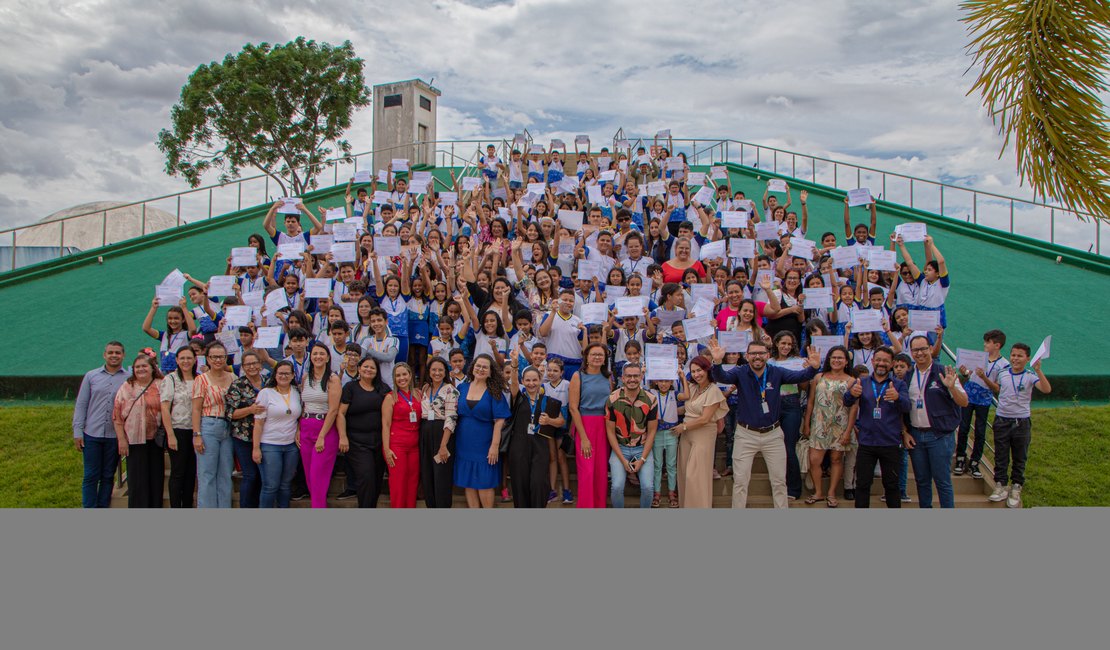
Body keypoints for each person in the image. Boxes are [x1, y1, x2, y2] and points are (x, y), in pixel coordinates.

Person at [708, 338, 821, 508]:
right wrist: (717, 362)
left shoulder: (777, 372)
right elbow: (721, 376)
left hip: (773, 435)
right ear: (746, 356)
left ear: (768, 355)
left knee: (779, 482)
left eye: (761, 353)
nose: (757, 357)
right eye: (753, 353)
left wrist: (813, 367)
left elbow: (800, 376)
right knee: (740, 482)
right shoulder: (740, 372)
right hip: (745, 435)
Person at [981, 343, 1051, 508]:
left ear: (1027, 359)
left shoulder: (1030, 375)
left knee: (1020, 456)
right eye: (1013, 355)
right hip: (1002, 419)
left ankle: (1016, 487)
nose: (1015, 358)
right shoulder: (1003, 373)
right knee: (1001, 455)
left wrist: (1039, 370)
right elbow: (997, 388)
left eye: (1020, 356)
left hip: (1021, 422)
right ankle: (1000, 485)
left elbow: (1046, 389)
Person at [904, 334, 968, 509]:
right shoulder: (908, 376)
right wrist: (905, 432)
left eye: (923, 348)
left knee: (942, 481)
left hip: (939, 436)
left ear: (931, 349)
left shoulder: (944, 372)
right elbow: (902, 408)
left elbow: (964, 402)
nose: (920, 353)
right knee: (922, 481)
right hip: (916, 436)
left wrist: (952, 387)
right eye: (915, 350)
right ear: (911, 352)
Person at [843, 347, 911, 507]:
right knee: (862, 485)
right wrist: (851, 393)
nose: (881, 364)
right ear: (872, 361)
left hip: (890, 443)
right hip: (867, 443)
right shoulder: (862, 382)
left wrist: (898, 398)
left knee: (892, 486)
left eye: (886, 361)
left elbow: (907, 407)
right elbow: (846, 402)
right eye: (878, 360)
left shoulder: (898, 384)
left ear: (892, 364)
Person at [73, 341, 131, 508]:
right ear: (104, 355)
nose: (114, 355)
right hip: (92, 434)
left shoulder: (128, 378)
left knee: (107, 475)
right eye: (111, 352)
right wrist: (78, 431)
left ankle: (102, 507)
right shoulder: (91, 376)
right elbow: (82, 404)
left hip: (114, 436)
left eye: (118, 353)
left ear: (123, 355)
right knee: (91, 475)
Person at [453, 354, 512, 508]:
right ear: (472, 368)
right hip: (464, 442)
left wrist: (494, 445)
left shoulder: (495, 391)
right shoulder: (462, 387)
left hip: (485, 442)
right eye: (478, 365)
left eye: (485, 367)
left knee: (485, 482)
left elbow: (500, 421)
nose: (480, 369)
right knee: (469, 481)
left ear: (491, 372)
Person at [801, 346, 856, 507]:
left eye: (840, 358)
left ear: (846, 361)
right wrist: (807, 423)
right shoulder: (819, 377)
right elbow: (810, 401)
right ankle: (818, 492)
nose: (837, 360)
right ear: (829, 359)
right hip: (819, 423)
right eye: (833, 357)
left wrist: (848, 431)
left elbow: (854, 408)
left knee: (836, 459)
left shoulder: (851, 380)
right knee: (814, 460)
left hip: (840, 424)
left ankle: (831, 493)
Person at [674, 356, 728, 508]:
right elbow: (686, 408)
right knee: (685, 474)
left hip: (703, 434)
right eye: (693, 371)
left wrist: (682, 427)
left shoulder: (714, 391)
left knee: (695, 477)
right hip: (686, 436)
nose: (697, 374)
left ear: (707, 370)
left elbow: (705, 419)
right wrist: (666, 413)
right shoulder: (691, 387)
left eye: (700, 370)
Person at [508, 366, 565, 508]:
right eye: (527, 380)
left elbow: (561, 421)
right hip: (519, 445)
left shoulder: (548, 400)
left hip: (540, 445)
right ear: (523, 381)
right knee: (520, 483)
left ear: (540, 380)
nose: (531, 383)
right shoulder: (518, 397)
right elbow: (513, 384)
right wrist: (514, 366)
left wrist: (549, 421)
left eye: (534, 380)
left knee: (538, 482)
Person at [955, 329, 1009, 479]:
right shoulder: (979, 358)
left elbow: (997, 388)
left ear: (997, 345)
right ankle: (960, 458)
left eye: (988, 342)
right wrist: (965, 372)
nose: (985, 344)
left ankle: (974, 462)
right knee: (964, 427)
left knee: (980, 431)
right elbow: (970, 375)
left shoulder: (1004, 365)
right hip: (969, 395)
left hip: (984, 399)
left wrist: (984, 378)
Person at [112, 354, 164, 508]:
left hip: (156, 440)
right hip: (134, 440)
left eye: (144, 366)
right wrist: (121, 439)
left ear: (152, 368)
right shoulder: (127, 387)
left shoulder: (161, 384)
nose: (141, 369)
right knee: (137, 481)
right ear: (133, 370)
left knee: (155, 480)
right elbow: (117, 415)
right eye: (137, 367)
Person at [338, 356, 391, 508]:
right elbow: (341, 413)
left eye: (372, 368)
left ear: (377, 371)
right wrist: (343, 436)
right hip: (356, 442)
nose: (368, 370)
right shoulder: (350, 387)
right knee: (365, 477)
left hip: (379, 441)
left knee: (376, 479)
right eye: (365, 367)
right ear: (359, 369)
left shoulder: (383, 389)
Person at [605, 363, 658, 509]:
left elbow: (652, 431)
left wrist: (642, 460)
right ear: (622, 378)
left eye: (636, 376)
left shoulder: (651, 399)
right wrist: (622, 460)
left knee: (647, 487)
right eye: (629, 376)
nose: (632, 379)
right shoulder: (613, 399)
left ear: (641, 377)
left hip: (642, 448)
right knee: (616, 487)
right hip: (620, 448)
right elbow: (610, 431)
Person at [252, 361, 303, 508]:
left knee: (285, 485)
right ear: (275, 374)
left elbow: (299, 417)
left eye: (287, 373)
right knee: (270, 486)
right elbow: (259, 423)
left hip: (291, 446)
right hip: (270, 445)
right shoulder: (266, 393)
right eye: (280, 373)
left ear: (293, 375)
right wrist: (256, 448)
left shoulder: (296, 392)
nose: (283, 376)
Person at [300, 344, 345, 508]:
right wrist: (299, 429)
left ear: (327, 357)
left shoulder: (333, 379)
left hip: (324, 428)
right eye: (315, 354)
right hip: (306, 426)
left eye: (322, 354)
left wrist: (321, 436)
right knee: (309, 478)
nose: (318, 356)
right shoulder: (306, 377)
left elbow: (333, 410)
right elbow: (303, 405)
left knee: (318, 476)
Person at [192, 341, 236, 508]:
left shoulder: (233, 377)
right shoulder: (201, 380)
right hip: (208, 425)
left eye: (221, 357)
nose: (218, 360)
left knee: (225, 474)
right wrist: (197, 435)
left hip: (228, 428)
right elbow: (196, 409)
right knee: (207, 474)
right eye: (214, 357)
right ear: (208, 359)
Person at [568, 343, 613, 508]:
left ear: (605, 359)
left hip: (604, 426)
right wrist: (584, 438)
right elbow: (573, 407)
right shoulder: (578, 376)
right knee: (587, 472)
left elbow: (610, 404)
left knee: (601, 472)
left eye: (600, 355)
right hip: (585, 425)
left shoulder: (608, 377)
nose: (597, 357)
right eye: (593, 354)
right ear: (586, 357)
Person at [225, 351, 266, 508]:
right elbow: (230, 413)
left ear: (261, 365)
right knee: (250, 475)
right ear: (242, 367)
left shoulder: (269, 382)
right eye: (248, 364)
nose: (252, 367)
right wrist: (250, 410)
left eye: (255, 363)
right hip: (244, 437)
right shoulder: (237, 385)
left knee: (263, 476)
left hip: (266, 436)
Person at [159, 346, 197, 508]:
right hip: (177, 431)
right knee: (178, 472)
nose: (186, 361)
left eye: (189, 358)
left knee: (191, 473)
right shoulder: (171, 379)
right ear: (176, 360)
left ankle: (187, 505)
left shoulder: (200, 379)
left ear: (195, 359)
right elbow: (164, 409)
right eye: (182, 358)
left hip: (195, 432)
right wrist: (170, 435)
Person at [419, 357, 459, 508]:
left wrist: (443, 445)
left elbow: (451, 418)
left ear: (445, 372)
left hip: (442, 434)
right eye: (434, 370)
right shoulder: (425, 389)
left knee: (441, 477)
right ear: (429, 372)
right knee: (427, 475)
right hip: (425, 433)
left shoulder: (450, 390)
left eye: (440, 370)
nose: (437, 373)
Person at [381, 363, 422, 508]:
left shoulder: (418, 394)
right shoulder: (390, 397)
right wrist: (386, 449)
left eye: (404, 374)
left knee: (412, 483)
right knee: (398, 484)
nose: (402, 378)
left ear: (410, 376)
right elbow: (385, 425)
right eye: (398, 375)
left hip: (415, 446)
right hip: (397, 446)